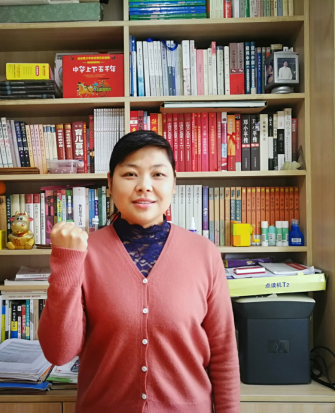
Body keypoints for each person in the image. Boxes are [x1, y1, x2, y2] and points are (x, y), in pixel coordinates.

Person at [39, 131, 240, 413]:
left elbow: (224, 353)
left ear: (174, 183)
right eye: (130, 174)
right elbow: (58, 353)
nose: (144, 186)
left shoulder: (204, 253)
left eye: (158, 175)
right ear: (110, 183)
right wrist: (66, 263)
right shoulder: (83, 252)